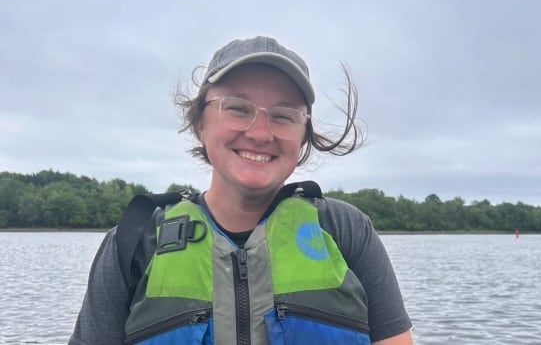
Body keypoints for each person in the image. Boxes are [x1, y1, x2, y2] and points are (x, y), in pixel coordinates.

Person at [70, 36, 413, 345]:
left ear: (303, 135)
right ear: (200, 122)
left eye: (283, 115)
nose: (261, 133)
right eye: (237, 108)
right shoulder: (134, 241)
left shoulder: (346, 230)